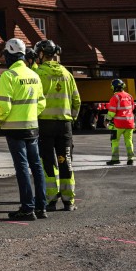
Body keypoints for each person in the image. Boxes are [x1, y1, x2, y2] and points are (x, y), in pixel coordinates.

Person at [0, 38, 46, 221]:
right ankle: (41, 206)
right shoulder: (34, 75)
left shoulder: (8, 76)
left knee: (22, 168)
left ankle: (27, 208)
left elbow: (4, 106)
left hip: (14, 129)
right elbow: (41, 103)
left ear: (9, 55)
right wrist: (31, 114)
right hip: (32, 126)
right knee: (37, 166)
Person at [33, 40, 80, 211]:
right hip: (64, 125)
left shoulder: (38, 74)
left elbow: (34, 100)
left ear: (41, 54)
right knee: (65, 160)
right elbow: (77, 100)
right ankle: (69, 201)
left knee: (48, 161)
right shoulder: (67, 74)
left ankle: (51, 199)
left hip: (44, 124)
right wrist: (70, 119)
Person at [105, 79, 135, 165]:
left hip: (118, 124)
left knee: (115, 141)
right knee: (129, 141)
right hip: (129, 123)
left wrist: (107, 120)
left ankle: (115, 159)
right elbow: (132, 108)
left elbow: (112, 112)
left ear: (114, 87)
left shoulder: (115, 97)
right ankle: (131, 159)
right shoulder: (129, 96)